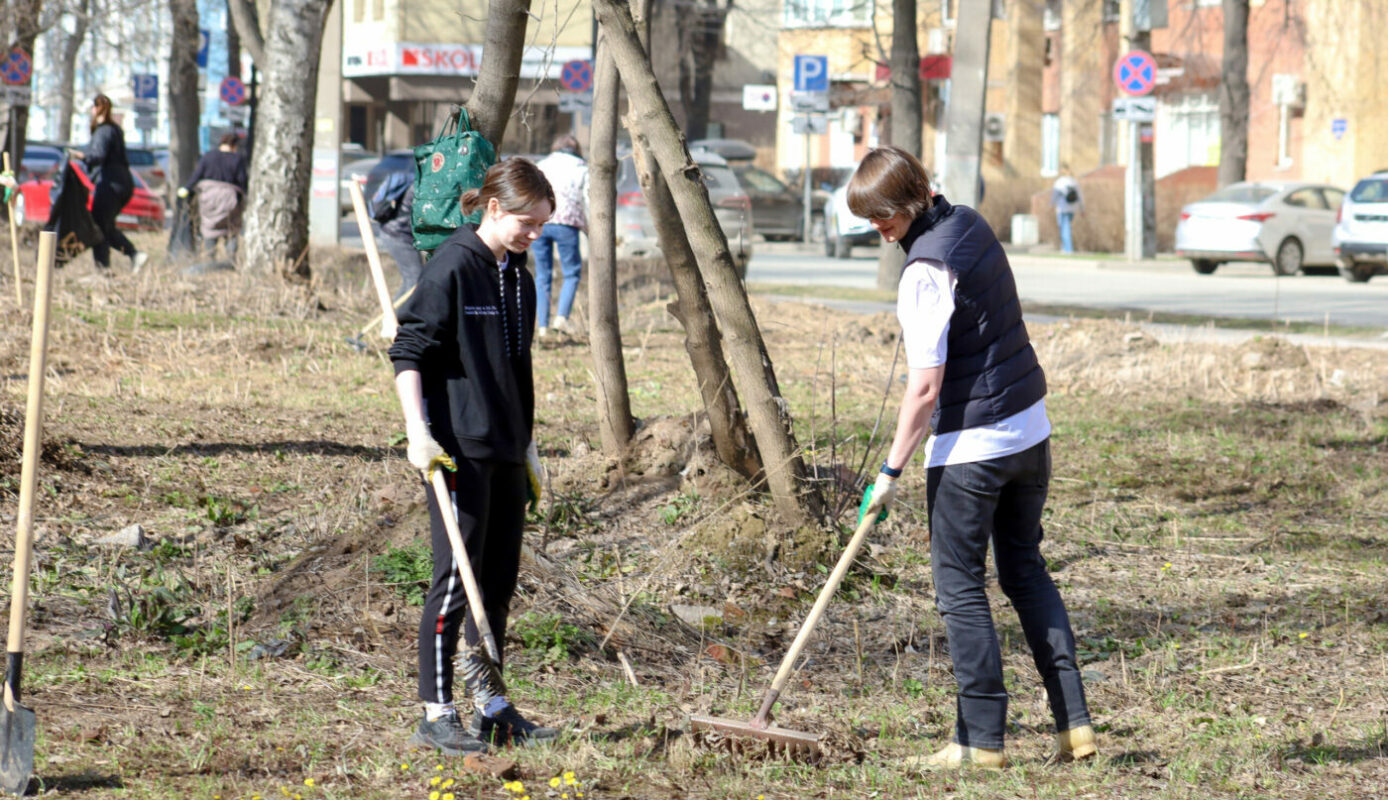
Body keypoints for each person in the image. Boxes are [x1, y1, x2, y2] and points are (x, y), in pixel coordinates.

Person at [851, 146, 1095, 769]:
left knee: (959, 587)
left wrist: (889, 473)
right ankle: (1074, 726)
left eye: (883, 216)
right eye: (869, 219)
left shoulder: (924, 272)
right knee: (1025, 572)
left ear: (912, 200)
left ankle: (979, 741)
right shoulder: (970, 223)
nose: (878, 229)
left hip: (973, 449)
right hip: (1029, 431)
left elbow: (924, 389)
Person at [389, 158, 558, 755]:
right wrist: (418, 432)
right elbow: (408, 351)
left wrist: (527, 444)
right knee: (455, 584)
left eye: (542, 225)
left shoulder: (519, 277)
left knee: (497, 585)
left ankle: (493, 708)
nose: (534, 234)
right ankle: (436, 713)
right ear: (493, 207)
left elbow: (516, 367)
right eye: (526, 222)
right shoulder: (453, 266)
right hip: (457, 450)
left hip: (506, 447)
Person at [531, 134, 588, 335]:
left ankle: (542, 326)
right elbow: (588, 199)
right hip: (567, 224)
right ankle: (561, 318)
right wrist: (589, 228)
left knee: (542, 275)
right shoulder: (581, 167)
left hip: (541, 222)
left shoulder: (542, 165)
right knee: (571, 272)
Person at [85, 95, 148, 272]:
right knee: (104, 225)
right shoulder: (115, 129)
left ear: (97, 109)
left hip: (110, 184)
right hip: (123, 183)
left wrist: (82, 156)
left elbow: (97, 155)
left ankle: (108, 266)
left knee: (99, 226)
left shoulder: (103, 131)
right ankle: (126, 258)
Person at [177, 133, 249, 260]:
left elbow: (196, 176)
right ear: (234, 145)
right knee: (231, 230)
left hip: (208, 199)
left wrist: (186, 189)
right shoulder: (237, 159)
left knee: (209, 229)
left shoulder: (208, 156)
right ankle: (230, 261)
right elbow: (242, 181)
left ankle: (209, 259)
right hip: (230, 200)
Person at [370, 170, 422, 301]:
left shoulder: (418, 181)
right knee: (415, 279)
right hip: (397, 234)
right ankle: (398, 313)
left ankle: (396, 311)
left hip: (398, 233)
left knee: (412, 279)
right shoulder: (419, 186)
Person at [1051, 165, 1082, 254]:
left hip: (1062, 208)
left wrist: (1051, 205)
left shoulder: (1059, 182)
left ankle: (1068, 248)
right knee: (1067, 226)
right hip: (1072, 208)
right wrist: (1082, 208)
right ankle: (1065, 247)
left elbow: (1055, 196)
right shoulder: (1074, 182)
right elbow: (1080, 196)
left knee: (1064, 227)